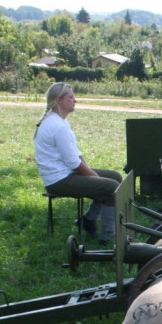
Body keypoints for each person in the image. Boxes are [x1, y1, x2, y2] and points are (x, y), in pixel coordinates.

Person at [34, 82, 122, 242]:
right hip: (59, 180)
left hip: (66, 173)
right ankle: (108, 236)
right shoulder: (57, 126)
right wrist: (94, 176)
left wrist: (91, 172)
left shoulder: (61, 122)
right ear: (59, 100)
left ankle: (88, 220)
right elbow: (73, 163)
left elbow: (76, 154)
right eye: (71, 97)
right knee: (111, 187)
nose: (75, 100)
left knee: (114, 176)